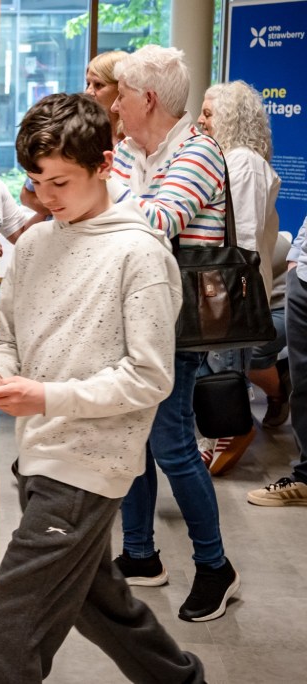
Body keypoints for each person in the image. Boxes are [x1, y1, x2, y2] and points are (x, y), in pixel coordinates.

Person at [0, 93, 202, 682]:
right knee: (99, 604)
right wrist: (0, 371)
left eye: (61, 182)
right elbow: (6, 333)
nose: (46, 198)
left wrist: (41, 397)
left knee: (8, 619)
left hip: (89, 465)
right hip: (38, 454)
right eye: (37, 183)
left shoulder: (139, 255)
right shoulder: (36, 242)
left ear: (105, 163)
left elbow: (148, 377)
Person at [108, 45, 240, 622]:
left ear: (149, 99)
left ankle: (216, 567)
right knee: (131, 440)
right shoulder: (128, 152)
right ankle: (140, 555)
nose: (114, 106)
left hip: (180, 318)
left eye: (121, 95)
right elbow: (110, 213)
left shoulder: (199, 152)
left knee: (171, 444)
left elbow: (156, 222)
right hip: (130, 312)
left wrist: (110, 204)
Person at [194, 80, 282, 474]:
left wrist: (224, 292)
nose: (200, 119)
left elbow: (241, 235)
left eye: (209, 113)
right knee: (217, 363)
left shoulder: (242, 162)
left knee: (223, 365)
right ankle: (217, 431)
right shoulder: (236, 159)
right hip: (224, 282)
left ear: (231, 119)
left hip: (231, 284)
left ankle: (227, 431)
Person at [20, 51, 126, 218]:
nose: (89, 92)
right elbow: (27, 196)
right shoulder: (73, 134)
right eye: (88, 84)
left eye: (98, 85)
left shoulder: (133, 146)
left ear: (122, 88)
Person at [248, 213, 307, 506]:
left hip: (291, 290)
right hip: (304, 279)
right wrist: (298, 256)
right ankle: (305, 479)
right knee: (303, 385)